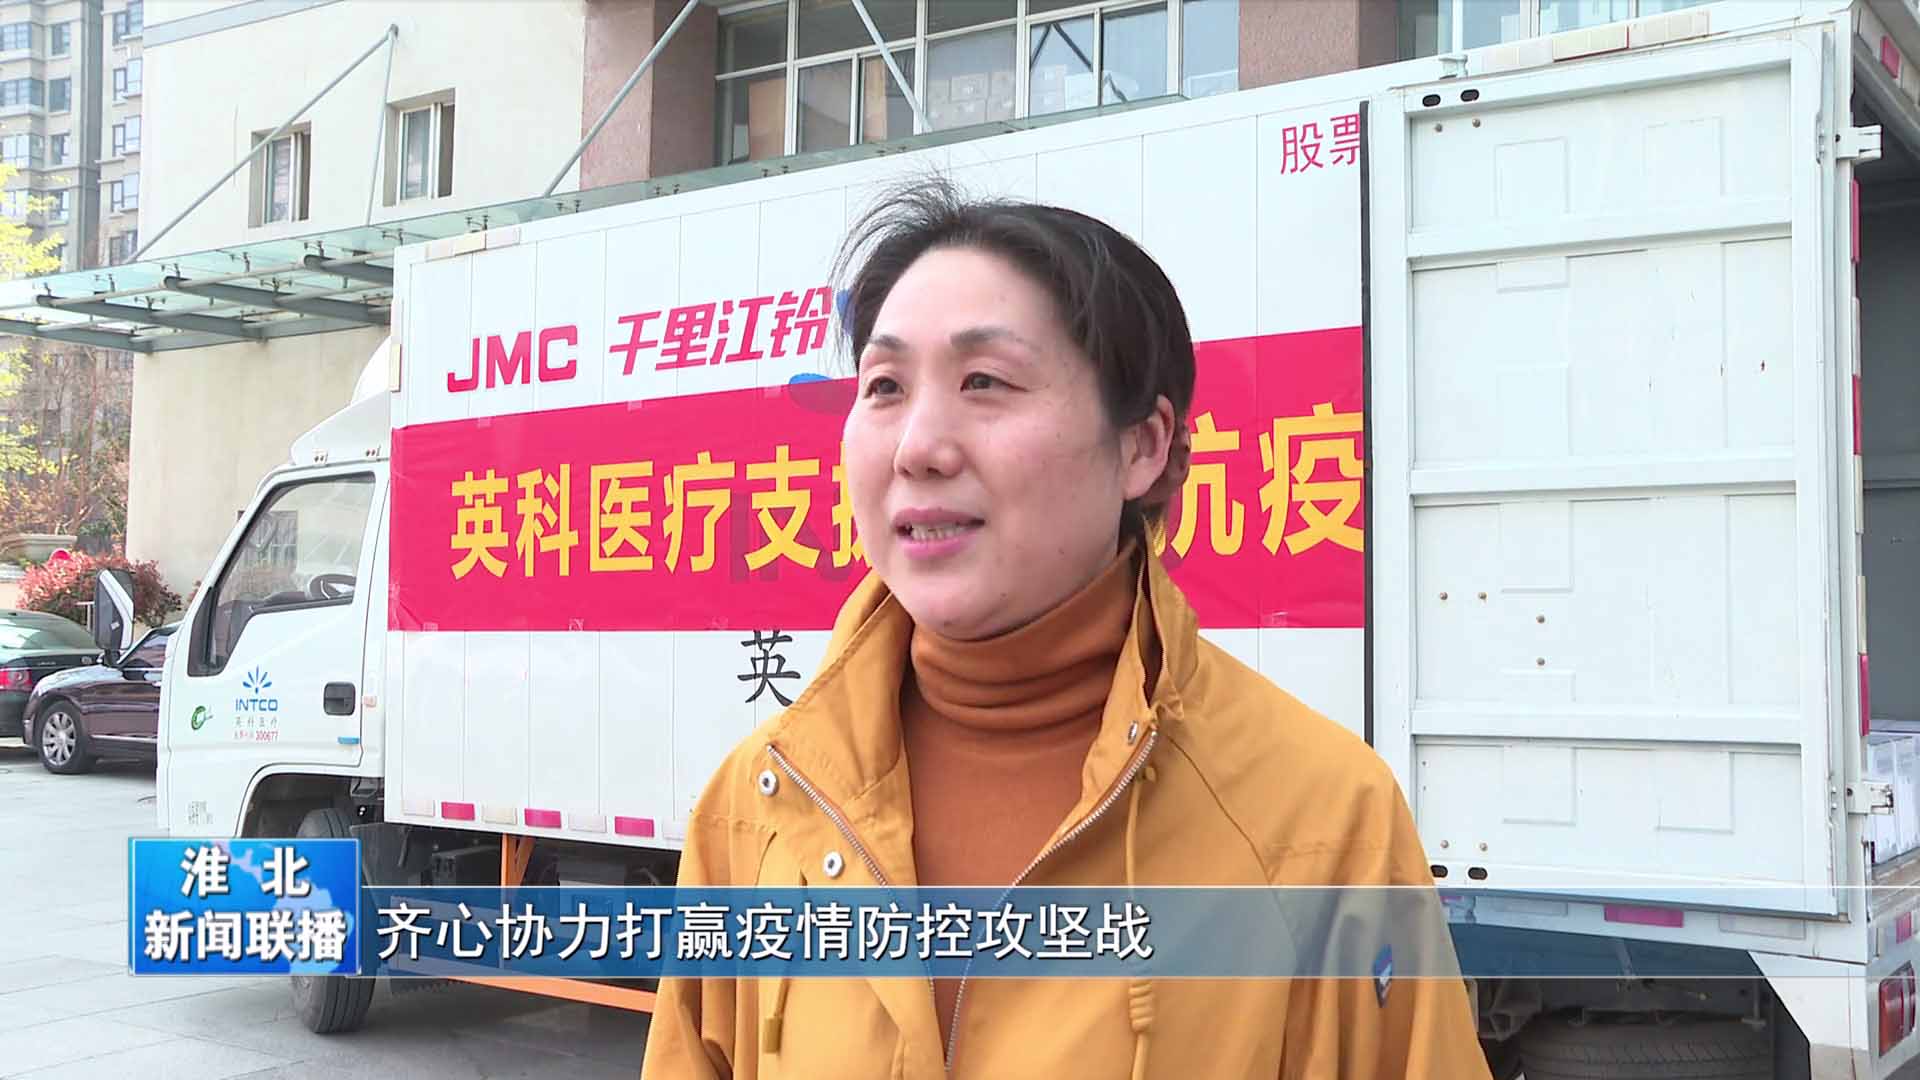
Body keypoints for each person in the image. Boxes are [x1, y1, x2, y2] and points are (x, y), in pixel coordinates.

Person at [639, 179, 1492, 1079]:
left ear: (1142, 446)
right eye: (884, 386)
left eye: (985, 382)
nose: (917, 446)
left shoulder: (1324, 819)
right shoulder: (762, 801)